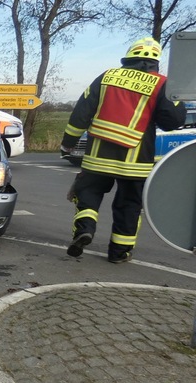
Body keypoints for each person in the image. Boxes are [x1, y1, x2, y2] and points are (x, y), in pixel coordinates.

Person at [60, 37, 186, 263]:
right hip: (136, 160)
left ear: (129, 56)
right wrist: (179, 99)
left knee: (88, 194)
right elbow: (172, 122)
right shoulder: (161, 83)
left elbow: (81, 112)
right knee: (129, 205)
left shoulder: (108, 76)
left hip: (98, 156)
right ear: (156, 61)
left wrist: (68, 142)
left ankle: (85, 229)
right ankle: (119, 252)